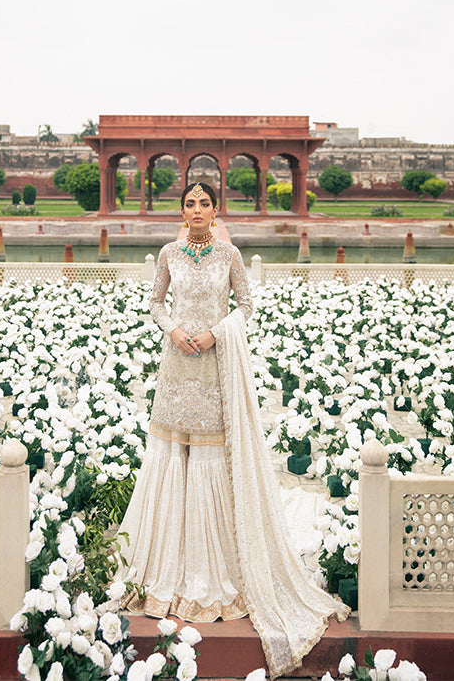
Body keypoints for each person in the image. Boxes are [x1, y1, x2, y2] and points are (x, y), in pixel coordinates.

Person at [118, 182, 348, 678]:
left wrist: (215, 332)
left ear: (215, 210)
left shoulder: (229, 254)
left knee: (207, 458)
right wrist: (174, 329)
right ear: (181, 211)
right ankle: (164, 568)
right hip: (176, 367)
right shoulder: (168, 253)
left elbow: (245, 307)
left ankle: (212, 567)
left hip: (214, 368)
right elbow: (156, 303)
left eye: (205, 204)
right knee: (171, 455)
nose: (197, 210)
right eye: (190, 204)